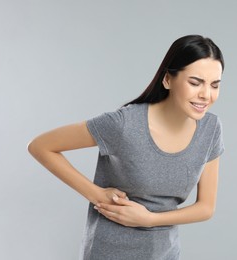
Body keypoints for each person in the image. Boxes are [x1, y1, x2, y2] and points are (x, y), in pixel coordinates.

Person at [28, 34, 225, 260]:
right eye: (195, 82)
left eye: (215, 85)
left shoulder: (211, 129)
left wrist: (149, 219)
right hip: (109, 252)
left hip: (165, 254)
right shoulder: (124, 124)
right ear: (168, 80)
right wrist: (96, 194)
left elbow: (206, 207)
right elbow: (40, 146)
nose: (206, 95)